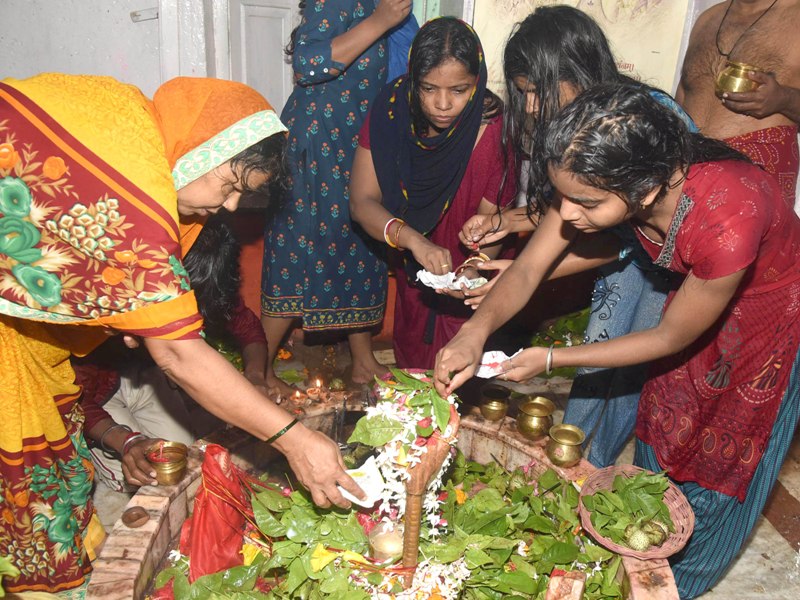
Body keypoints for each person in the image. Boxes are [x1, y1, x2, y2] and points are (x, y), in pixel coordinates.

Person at [435, 83, 800, 599]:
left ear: (644, 191)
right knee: (668, 420)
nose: (565, 214)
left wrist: (553, 358)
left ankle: (684, 582)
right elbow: (530, 269)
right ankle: (642, 542)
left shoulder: (726, 216)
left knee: (728, 454)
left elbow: (671, 335)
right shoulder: (610, 183)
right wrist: (474, 332)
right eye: (561, 196)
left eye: (584, 202)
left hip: (769, 319)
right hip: (696, 297)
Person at [0, 74, 361, 593]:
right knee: (36, 507)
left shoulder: (127, 125)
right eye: (231, 185)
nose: (231, 207)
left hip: (30, 348)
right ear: (203, 149)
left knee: (60, 477)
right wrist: (295, 439)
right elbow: (178, 354)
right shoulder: (138, 194)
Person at [456, 5, 692, 467]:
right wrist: (475, 329)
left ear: (579, 74)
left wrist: (539, 271)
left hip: (677, 261)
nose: (528, 107)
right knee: (596, 359)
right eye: (521, 93)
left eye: (537, 91)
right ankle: (576, 463)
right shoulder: (569, 126)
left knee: (638, 369)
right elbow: (565, 230)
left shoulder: (648, 121)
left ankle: (602, 470)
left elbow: (644, 237)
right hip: (625, 254)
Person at [261, 0, 411, 394]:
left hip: (358, 145)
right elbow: (308, 64)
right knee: (295, 257)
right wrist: (381, 22)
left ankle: (362, 360)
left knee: (362, 245)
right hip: (317, 145)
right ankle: (257, 372)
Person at [349, 17, 516, 369]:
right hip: (413, 255)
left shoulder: (495, 131)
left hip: (472, 264)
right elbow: (361, 201)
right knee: (412, 362)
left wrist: (473, 269)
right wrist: (413, 240)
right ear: (413, 80)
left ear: (477, 81)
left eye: (459, 90)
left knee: (458, 366)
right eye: (428, 88)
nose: (442, 104)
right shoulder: (392, 110)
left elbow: (493, 224)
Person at [77, 218, 267, 491]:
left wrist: (256, 376)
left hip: (147, 377)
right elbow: (77, 401)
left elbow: (247, 328)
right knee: (144, 478)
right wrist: (125, 441)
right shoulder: (108, 303)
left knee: (184, 459)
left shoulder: (207, 282)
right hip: (98, 392)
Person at [677, 0, 800, 207]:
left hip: (754, 188)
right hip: (683, 179)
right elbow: (681, 102)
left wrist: (783, 99)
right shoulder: (707, 19)